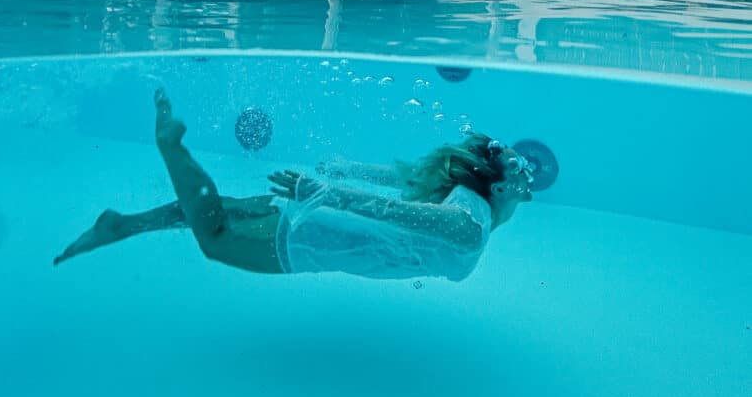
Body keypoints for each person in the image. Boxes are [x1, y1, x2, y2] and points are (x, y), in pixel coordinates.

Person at [53, 89, 534, 281]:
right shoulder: (473, 225)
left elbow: (399, 181)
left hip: (324, 214)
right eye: (518, 178)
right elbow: (393, 211)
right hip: (321, 235)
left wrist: (342, 172)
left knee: (224, 208)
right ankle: (171, 148)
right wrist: (327, 191)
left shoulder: (465, 198)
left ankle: (123, 225)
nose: (525, 186)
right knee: (215, 239)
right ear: (495, 187)